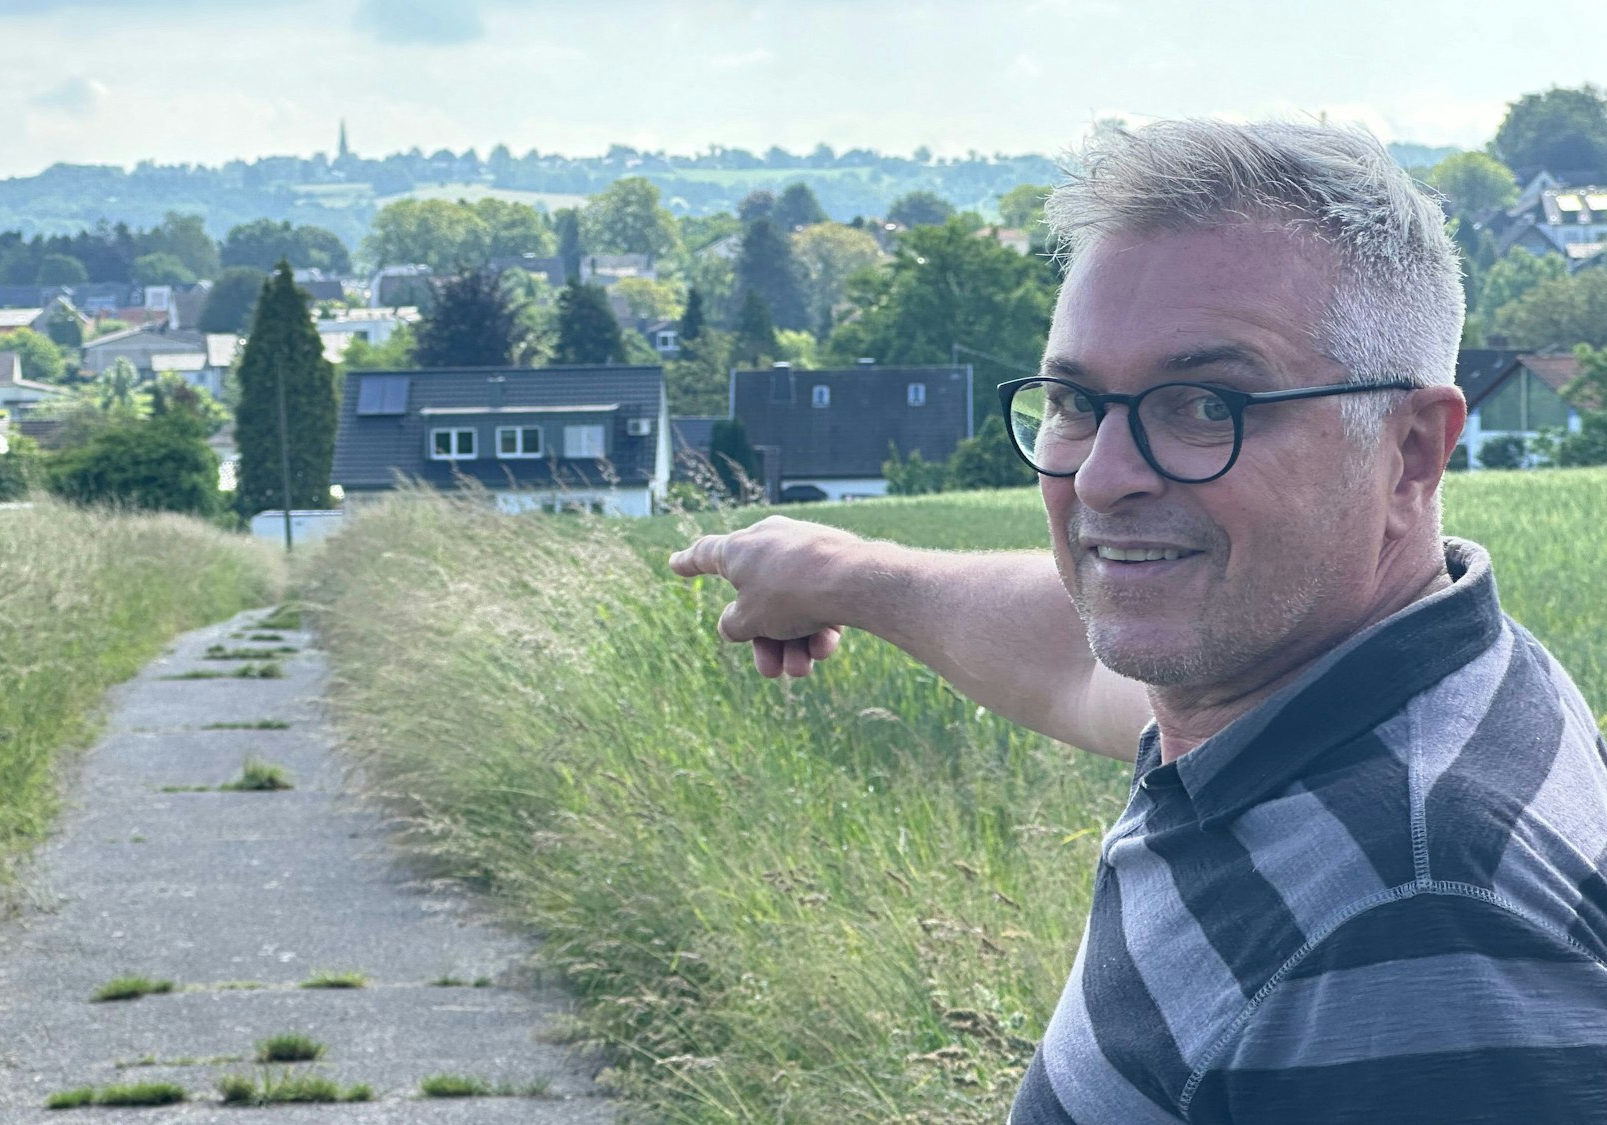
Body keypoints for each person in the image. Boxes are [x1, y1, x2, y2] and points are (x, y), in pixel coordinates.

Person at [671, 120, 1607, 1124]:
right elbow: (1076, 667)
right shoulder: (1368, 689)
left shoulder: (1408, 932)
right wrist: (839, 575)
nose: (1102, 478)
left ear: (1410, 451)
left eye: (1205, 404)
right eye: (1074, 400)